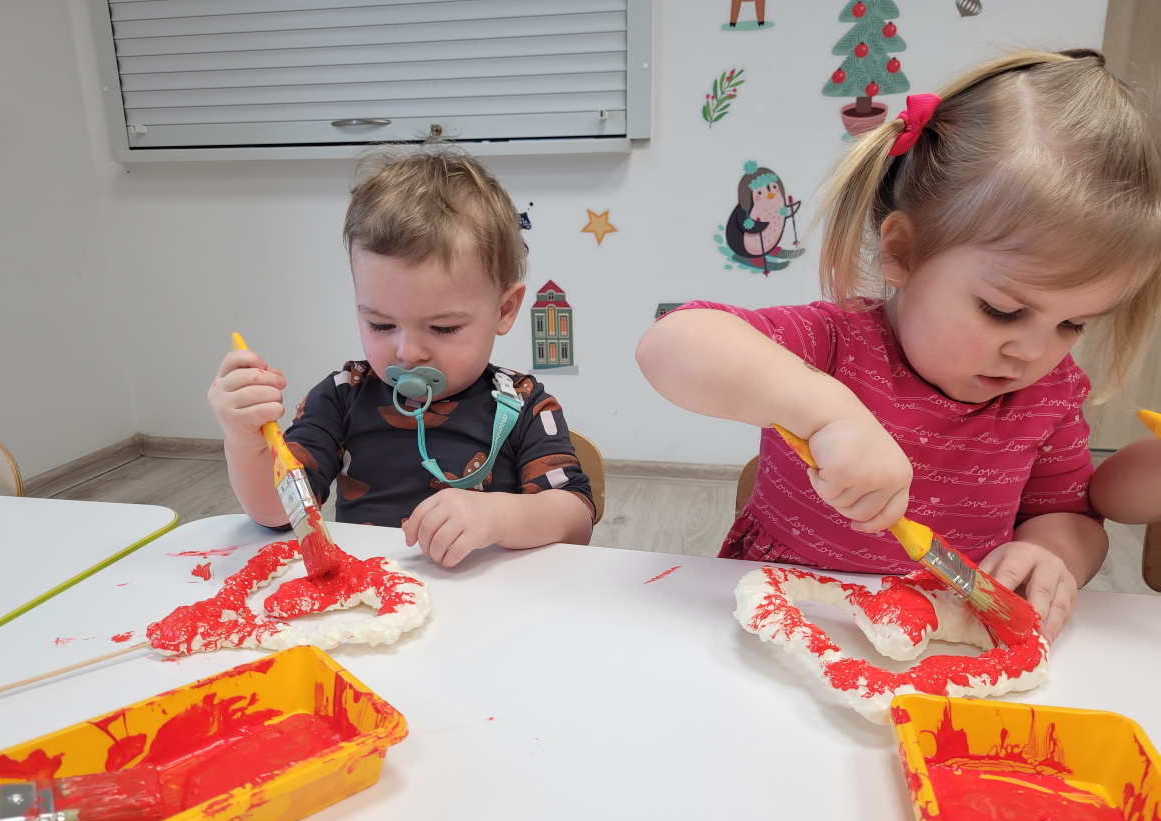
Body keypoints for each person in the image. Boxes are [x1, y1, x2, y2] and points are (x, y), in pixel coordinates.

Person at [637, 50, 1161, 641]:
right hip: (784, 617)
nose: (1033, 352)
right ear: (903, 253)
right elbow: (673, 341)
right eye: (1002, 311)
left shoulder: (1051, 393)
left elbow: (1070, 512)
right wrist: (828, 412)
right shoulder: (836, 343)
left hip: (947, 638)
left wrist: (1051, 554)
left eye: (1074, 324)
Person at [209, 150, 595, 568]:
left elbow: (576, 518)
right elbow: (280, 513)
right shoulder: (342, 396)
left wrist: (500, 516)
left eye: (443, 328)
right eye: (380, 324)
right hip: (368, 592)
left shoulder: (523, 403)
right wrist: (243, 440)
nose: (408, 352)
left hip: (486, 597)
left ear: (504, 310)